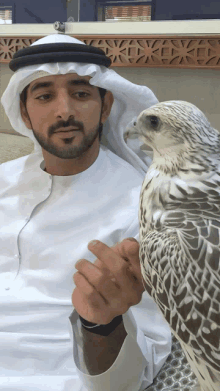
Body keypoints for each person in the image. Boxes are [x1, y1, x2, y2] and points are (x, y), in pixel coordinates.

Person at [0, 33, 171, 391]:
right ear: (26, 114)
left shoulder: (147, 207)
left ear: (105, 107)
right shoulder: (4, 179)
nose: (64, 111)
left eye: (80, 94)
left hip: (59, 377)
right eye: (45, 96)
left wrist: (101, 326)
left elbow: (137, 370)